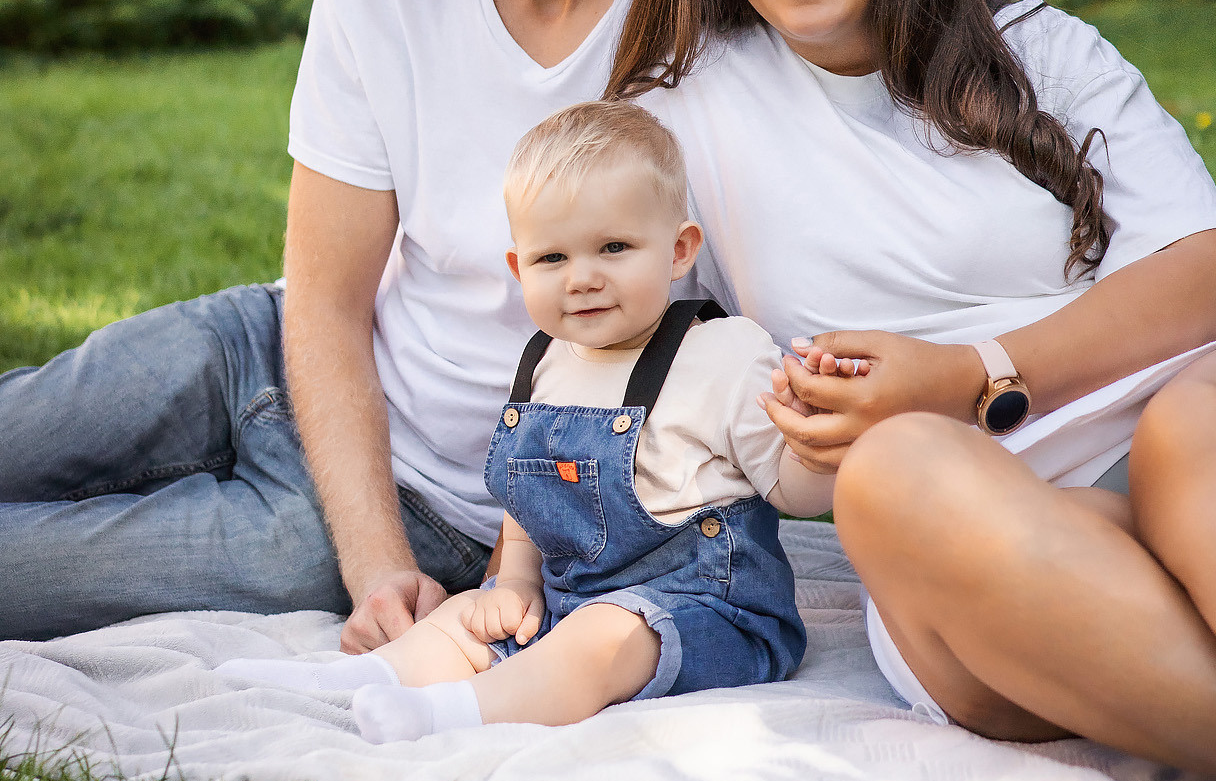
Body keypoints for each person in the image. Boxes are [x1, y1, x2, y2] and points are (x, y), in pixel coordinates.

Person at [608, 0, 1216, 781]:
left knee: (1195, 425)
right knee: (894, 471)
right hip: (992, 540)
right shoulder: (680, 120)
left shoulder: (1040, 48)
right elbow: (581, 309)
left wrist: (963, 373)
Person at [0, 0, 662, 647]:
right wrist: (374, 556)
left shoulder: (703, 0)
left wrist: (380, 562)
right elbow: (323, 296)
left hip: (423, 506)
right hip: (264, 350)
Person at [218, 101, 831, 737]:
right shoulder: (545, 363)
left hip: (707, 613)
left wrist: (814, 447)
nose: (583, 279)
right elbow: (530, 498)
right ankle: (357, 681)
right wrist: (512, 579)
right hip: (572, 601)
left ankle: (450, 713)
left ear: (678, 251)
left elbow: (796, 493)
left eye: (614, 247)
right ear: (519, 268)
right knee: (462, 619)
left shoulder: (722, 354)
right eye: (551, 259)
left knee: (598, 639)